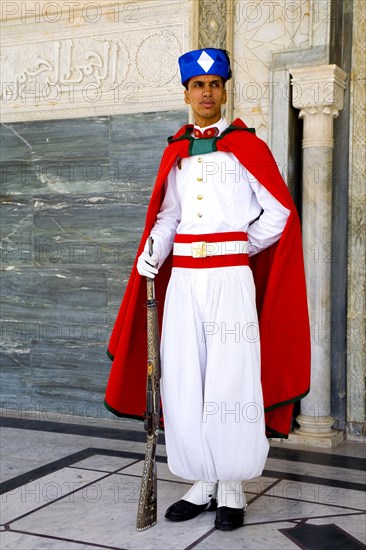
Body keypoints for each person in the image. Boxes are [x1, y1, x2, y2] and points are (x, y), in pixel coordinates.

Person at [105, 48, 310, 531]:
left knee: (231, 378)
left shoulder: (248, 147)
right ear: (186, 93)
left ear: (224, 90)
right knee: (183, 377)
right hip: (184, 284)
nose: (206, 93)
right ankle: (200, 482)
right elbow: (170, 214)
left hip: (229, 279)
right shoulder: (175, 148)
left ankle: (232, 487)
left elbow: (278, 212)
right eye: (198, 86)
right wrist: (153, 249)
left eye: (215, 84)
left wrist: (239, 246)